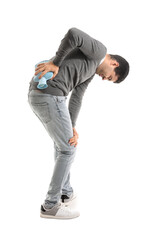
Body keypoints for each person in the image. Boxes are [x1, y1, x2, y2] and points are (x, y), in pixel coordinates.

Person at [27, 27, 130, 220]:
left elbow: (76, 98)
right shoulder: (99, 50)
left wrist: (72, 126)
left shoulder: (90, 71)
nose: (104, 78)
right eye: (109, 76)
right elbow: (73, 34)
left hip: (45, 97)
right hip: (50, 95)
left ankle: (65, 192)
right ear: (114, 63)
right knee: (68, 149)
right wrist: (56, 63)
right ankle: (50, 205)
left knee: (64, 144)